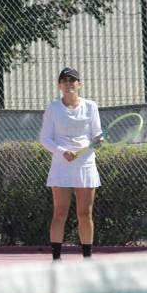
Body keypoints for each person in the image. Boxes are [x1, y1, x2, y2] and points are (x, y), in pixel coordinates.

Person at [39, 67, 103, 261]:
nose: (69, 84)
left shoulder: (91, 106)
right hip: (61, 165)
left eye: (72, 80)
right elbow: (44, 138)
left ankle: (87, 259)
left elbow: (96, 134)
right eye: (65, 81)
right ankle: (56, 259)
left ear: (79, 84)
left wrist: (98, 141)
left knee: (85, 213)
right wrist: (61, 152)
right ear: (59, 86)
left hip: (86, 165)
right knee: (60, 213)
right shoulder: (53, 108)